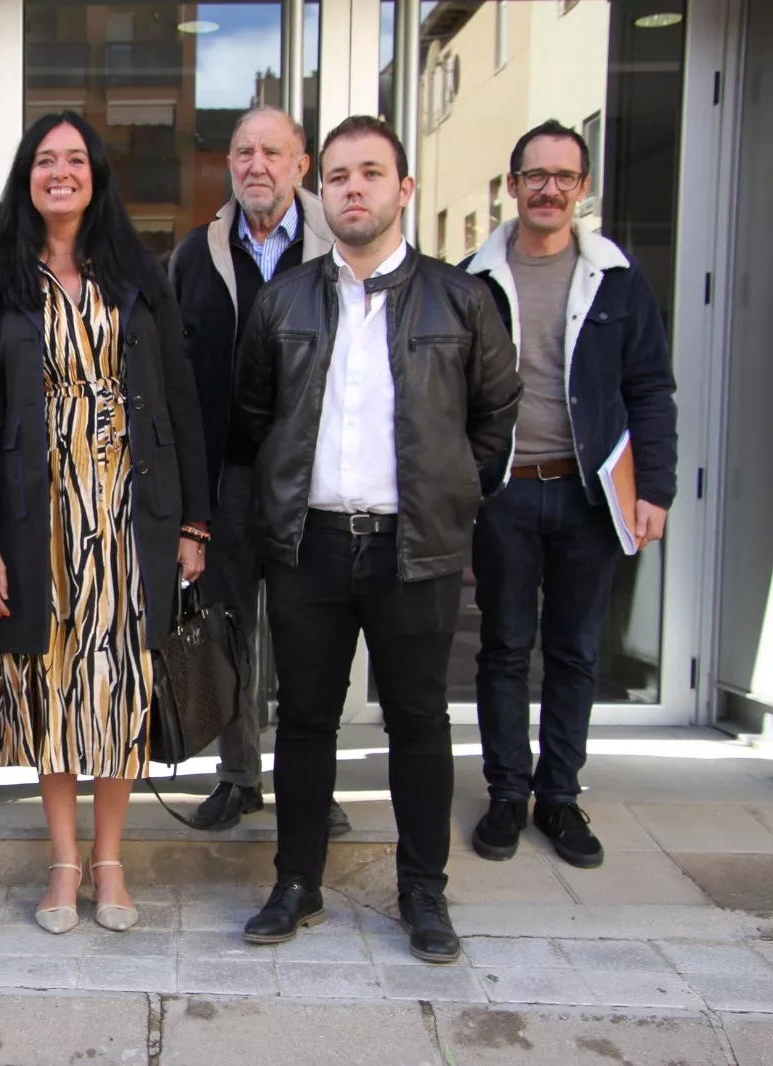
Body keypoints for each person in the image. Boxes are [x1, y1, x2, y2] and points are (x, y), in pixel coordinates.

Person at [233, 117, 520, 963]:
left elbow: (496, 413)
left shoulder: (462, 299)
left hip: (413, 547)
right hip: (311, 545)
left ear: (405, 190)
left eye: (371, 173)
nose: (354, 188)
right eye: (339, 176)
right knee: (305, 720)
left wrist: (457, 491)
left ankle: (424, 893)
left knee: (421, 721)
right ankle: (297, 883)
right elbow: (256, 418)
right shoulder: (284, 301)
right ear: (322, 191)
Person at [0, 112, 209, 935]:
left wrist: (195, 524)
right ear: (26, 176)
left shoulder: (140, 275)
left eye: (74, 159)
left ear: (96, 175)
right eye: (44, 159)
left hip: (132, 513)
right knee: (56, 686)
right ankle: (64, 862)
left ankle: (111, 861)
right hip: (39, 520)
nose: (58, 171)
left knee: (119, 687)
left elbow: (180, 399)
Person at [463, 120, 678, 870]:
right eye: (535, 175)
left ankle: (559, 796)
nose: (549, 188)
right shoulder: (475, 278)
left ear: (582, 188)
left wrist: (656, 488)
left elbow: (650, 387)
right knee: (504, 649)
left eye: (565, 176)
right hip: (507, 495)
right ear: (513, 183)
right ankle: (505, 793)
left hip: (591, 495)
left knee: (576, 652)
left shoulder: (618, 278)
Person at [166, 105, 349, 836]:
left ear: (301, 165)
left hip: (319, 480)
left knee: (312, 641)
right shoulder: (195, 255)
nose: (256, 165)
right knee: (230, 634)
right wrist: (187, 499)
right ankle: (239, 777)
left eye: (273, 151)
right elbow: (175, 383)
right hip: (228, 482)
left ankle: (315, 786)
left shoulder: (340, 249)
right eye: (243, 152)